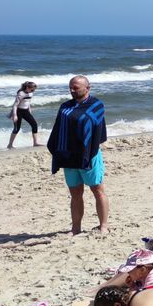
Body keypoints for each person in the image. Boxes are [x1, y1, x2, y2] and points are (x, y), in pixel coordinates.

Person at [48, 75, 109, 235]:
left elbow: (97, 132)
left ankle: (103, 226)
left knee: (97, 189)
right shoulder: (65, 107)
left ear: (87, 88)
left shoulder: (96, 105)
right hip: (69, 156)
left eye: (76, 87)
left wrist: (90, 150)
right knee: (75, 193)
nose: (72, 90)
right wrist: (57, 151)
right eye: (70, 87)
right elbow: (58, 130)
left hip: (90, 154)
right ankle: (76, 228)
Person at [6, 81, 40, 149]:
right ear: (27, 87)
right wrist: (14, 115)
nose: (33, 91)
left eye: (34, 89)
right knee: (16, 128)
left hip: (25, 111)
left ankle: (35, 143)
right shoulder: (21, 93)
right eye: (32, 89)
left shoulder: (31, 93)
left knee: (34, 124)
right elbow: (15, 105)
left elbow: (28, 102)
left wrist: (29, 109)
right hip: (18, 111)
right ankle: (10, 145)